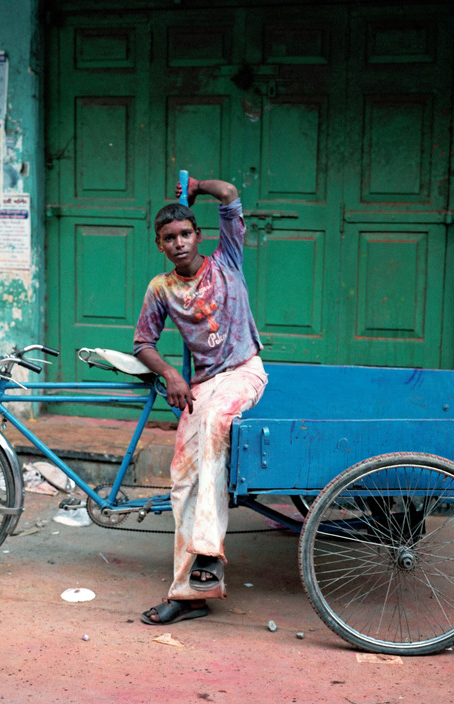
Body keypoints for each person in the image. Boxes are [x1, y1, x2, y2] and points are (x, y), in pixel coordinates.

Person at [134, 175, 267, 626]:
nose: (178, 243)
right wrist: (171, 372)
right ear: (159, 245)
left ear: (199, 235)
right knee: (183, 478)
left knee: (213, 428)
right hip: (203, 387)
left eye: (185, 234)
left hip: (243, 374)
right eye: (169, 238)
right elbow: (143, 342)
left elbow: (229, 194)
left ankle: (209, 555)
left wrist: (194, 189)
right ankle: (189, 593)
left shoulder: (228, 259)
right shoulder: (161, 288)